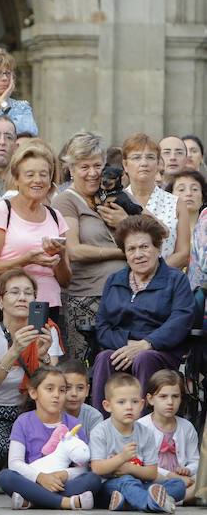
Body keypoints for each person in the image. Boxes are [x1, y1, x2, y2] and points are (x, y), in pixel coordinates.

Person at [91, 215, 195, 416]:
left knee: (144, 358)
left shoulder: (176, 280)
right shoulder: (114, 281)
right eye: (131, 249)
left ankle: (145, 430)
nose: (138, 254)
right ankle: (101, 429)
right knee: (104, 357)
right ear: (125, 253)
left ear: (158, 248)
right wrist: (128, 344)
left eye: (144, 247)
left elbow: (181, 319)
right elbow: (102, 326)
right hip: (122, 349)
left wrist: (146, 343)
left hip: (160, 352)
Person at [0, 269, 63, 472]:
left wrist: (43, 356)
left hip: (35, 410)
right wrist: (14, 350)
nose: (22, 297)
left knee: (53, 447)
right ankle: (15, 472)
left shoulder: (47, 332)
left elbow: (53, 386)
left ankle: (16, 474)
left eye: (28, 293)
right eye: (14, 292)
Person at [52, 132, 127, 361]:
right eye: (84, 166)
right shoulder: (65, 200)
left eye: (97, 165)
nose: (93, 173)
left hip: (122, 295)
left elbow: (156, 229)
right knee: (86, 369)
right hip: (87, 299)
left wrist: (124, 220)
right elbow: (73, 250)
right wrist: (122, 254)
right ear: (71, 169)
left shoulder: (110, 198)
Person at [0, 143, 71, 325]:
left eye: (44, 174)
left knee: (43, 353)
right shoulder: (1, 211)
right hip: (7, 305)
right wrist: (26, 260)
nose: (38, 180)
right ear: (17, 179)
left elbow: (66, 280)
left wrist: (59, 255)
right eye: (30, 175)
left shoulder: (55, 216)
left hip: (47, 304)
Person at [0, 366, 101, 510]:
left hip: (61, 483)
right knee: (5, 476)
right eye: (50, 389)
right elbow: (15, 463)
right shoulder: (23, 422)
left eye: (62, 390)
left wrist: (64, 474)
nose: (57, 395)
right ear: (33, 392)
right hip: (32, 480)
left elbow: (82, 468)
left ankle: (33, 501)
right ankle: (65, 503)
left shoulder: (74, 425)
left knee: (92, 479)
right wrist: (40, 477)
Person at [90, 373, 185, 513]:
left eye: (134, 402)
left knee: (178, 485)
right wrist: (121, 458)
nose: (129, 407)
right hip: (109, 487)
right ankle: (150, 503)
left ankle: (128, 502)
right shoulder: (100, 431)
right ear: (108, 405)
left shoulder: (145, 433)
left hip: (140, 485)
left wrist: (128, 467)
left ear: (141, 404)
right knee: (127, 481)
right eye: (121, 402)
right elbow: (97, 468)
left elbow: (152, 473)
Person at [122, 134, 190, 268]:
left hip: (165, 280)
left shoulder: (175, 203)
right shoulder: (117, 201)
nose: (144, 163)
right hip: (123, 279)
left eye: (150, 157)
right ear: (125, 164)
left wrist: (154, 273)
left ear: (159, 163)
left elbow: (183, 253)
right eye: (136, 157)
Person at [139, 370, 199, 504]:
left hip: (185, 479)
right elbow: (142, 464)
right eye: (163, 396)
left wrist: (188, 469)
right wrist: (173, 477)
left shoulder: (187, 427)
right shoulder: (141, 427)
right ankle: (178, 498)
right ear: (150, 399)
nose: (170, 402)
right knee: (138, 478)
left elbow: (195, 460)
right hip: (154, 478)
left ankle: (168, 499)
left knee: (202, 478)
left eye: (175, 396)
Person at [58, 359, 103, 436]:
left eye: (80, 388)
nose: (74, 394)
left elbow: (97, 446)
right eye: (67, 387)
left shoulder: (94, 417)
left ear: (87, 390)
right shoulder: (51, 414)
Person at [164, 170, 206, 242]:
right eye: (181, 189)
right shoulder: (162, 231)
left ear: (203, 197)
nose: (189, 193)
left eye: (195, 189)